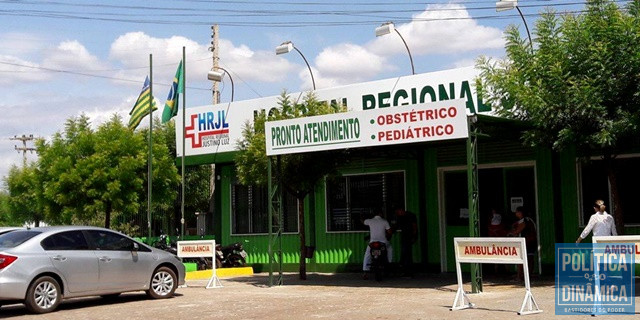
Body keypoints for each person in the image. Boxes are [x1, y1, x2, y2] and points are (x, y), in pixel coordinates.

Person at [508, 206, 537, 280]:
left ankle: (519, 276)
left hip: (527, 242)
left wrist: (511, 233)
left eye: (517, 212)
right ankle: (528, 276)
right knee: (530, 259)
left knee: (521, 259)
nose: (515, 213)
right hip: (532, 241)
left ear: (520, 213)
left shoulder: (524, 220)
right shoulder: (530, 220)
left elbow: (517, 231)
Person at [362, 210, 392, 279]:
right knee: (390, 249)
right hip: (383, 242)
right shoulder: (384, 221)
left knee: (367, 255)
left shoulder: (370, 221)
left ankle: (365, 272)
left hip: (372, 243)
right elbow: (389, 232)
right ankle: (389, 264)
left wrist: (362, 217)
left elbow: (363, 222)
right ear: (380, 213)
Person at [394, 207, 418, 276]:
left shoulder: (410, 216)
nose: (398, 214)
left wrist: (414, 236)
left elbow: (414, 226)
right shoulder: (400, 217)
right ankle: (405, 269)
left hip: (409, 236)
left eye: (398, 212)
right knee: (405, 252)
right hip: (404, 236)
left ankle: (408, 271)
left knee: (406, 253)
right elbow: (396, 226)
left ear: (401, 210)